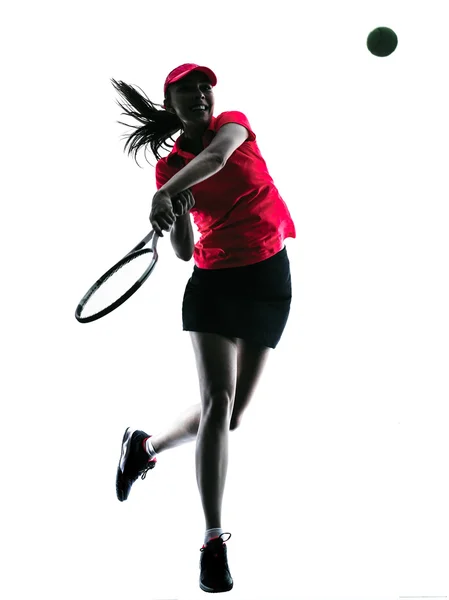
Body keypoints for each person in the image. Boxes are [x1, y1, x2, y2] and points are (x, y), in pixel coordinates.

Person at [113, 63, 296, 593]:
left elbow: (217, 160)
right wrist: (178, 212)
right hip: (214, 285)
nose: (200, 93)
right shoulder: (168, 166)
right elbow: (183, 251)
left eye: (204, 86)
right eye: (186, 89)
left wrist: (166, 193)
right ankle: (213, 541)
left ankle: (144, 446)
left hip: (267, 280)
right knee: (217, 400)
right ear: (171, 103)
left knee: (233, 415)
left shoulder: (232, 127)